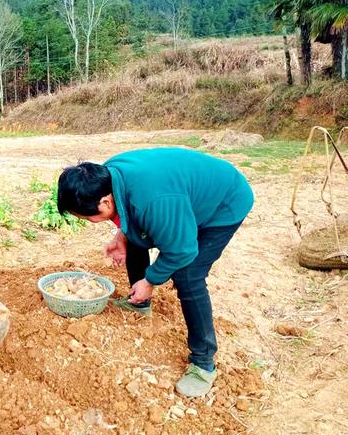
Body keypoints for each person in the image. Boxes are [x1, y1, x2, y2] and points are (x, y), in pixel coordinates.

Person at [56, 148, 254, 397]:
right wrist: (122, 236)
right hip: (179, 197)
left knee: (188, 274)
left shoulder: (154, 201)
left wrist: (150, 280)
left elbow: (182, 251)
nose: (87, 220)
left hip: (224, 203)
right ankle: (139, 304)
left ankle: (203, 364)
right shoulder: (106, 176)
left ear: (105, 202)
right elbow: (131, 214)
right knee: (137, 237)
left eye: (85, 217)